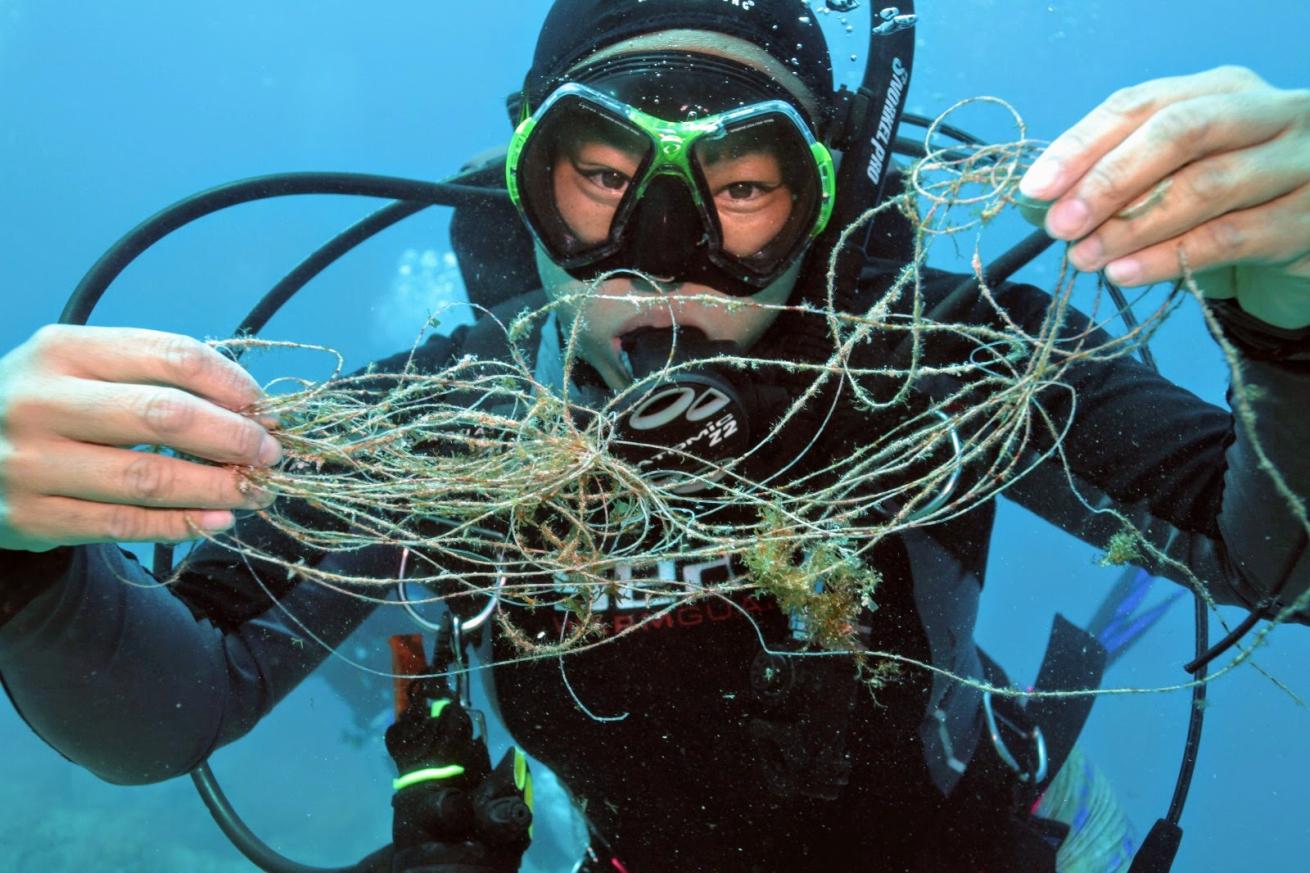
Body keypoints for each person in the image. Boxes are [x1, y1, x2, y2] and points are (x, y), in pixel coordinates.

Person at [2, 1, 1308, 870]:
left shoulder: (943, 356)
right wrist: (22, 555)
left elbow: (1271, 561)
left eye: (740, 186)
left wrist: (1289, 331)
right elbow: (155, 713)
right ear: (525, 180)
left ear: (826, 196)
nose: (664, 251)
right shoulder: (442, 421)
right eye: (604, 177)